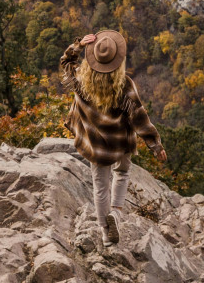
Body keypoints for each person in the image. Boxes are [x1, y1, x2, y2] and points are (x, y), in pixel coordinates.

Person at [60, 30, 166, 246]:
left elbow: (65, 61)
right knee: (122, 172)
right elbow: (139, 117)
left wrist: (78, 46)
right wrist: (155, 145)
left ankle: (105, 235)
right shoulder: (124, 85)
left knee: (100, 186)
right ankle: (116, 213)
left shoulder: (81, 78)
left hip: (95, 144)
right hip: (120, 142)